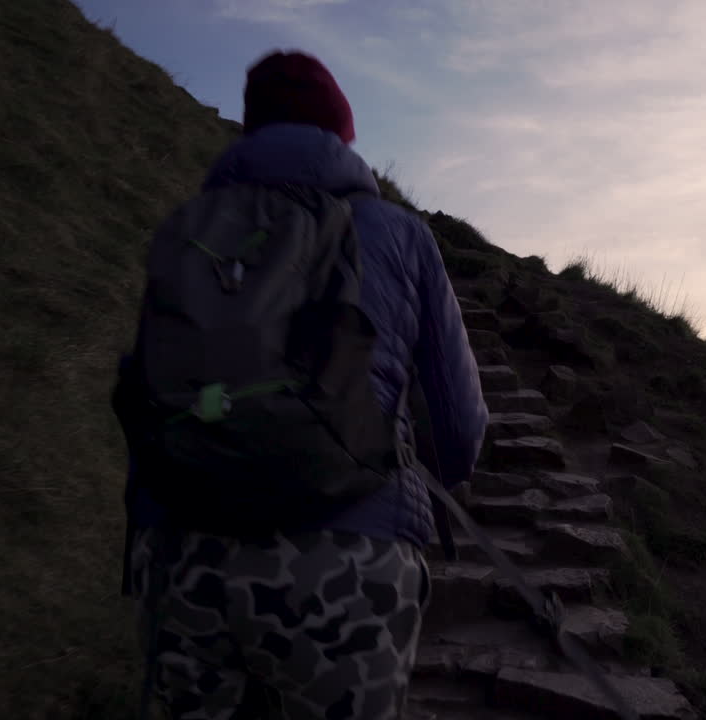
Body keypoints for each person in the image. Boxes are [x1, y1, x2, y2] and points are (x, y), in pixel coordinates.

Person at [119, 50, 488, 719]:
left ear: (249, 131)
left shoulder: (191, 231)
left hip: (182, 548)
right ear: (343, 136)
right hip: (348, 556)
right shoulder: (401, 235)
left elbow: (145, 387)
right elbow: (459, 422)